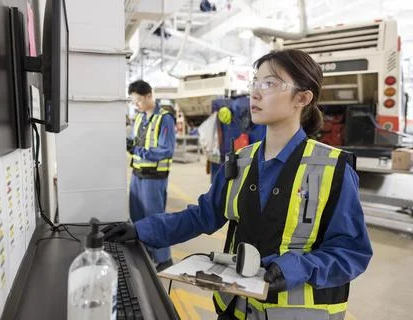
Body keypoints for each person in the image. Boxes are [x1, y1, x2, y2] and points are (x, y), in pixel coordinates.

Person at [106, 50, 372, 320]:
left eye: (269, 83)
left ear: (302, 98)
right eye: (255, 83)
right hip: (236, 310)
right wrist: (138, 230)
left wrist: (292, 268)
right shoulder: (240, 161)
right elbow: (202, 216)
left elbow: (351, 252)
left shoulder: (332, 168)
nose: (255, 93)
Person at [126, 80, 176, 272]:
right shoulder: (139, 118)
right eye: (133, 102)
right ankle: (147, 254)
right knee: (137, 218)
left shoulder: (165, 119)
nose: (136, 105)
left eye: (138, 100)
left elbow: (166, 150)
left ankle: (164, 260)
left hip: (154, 178)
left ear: (149, 96)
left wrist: (137, 150)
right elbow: (135, 140)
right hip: (137, 175)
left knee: (154, 218)